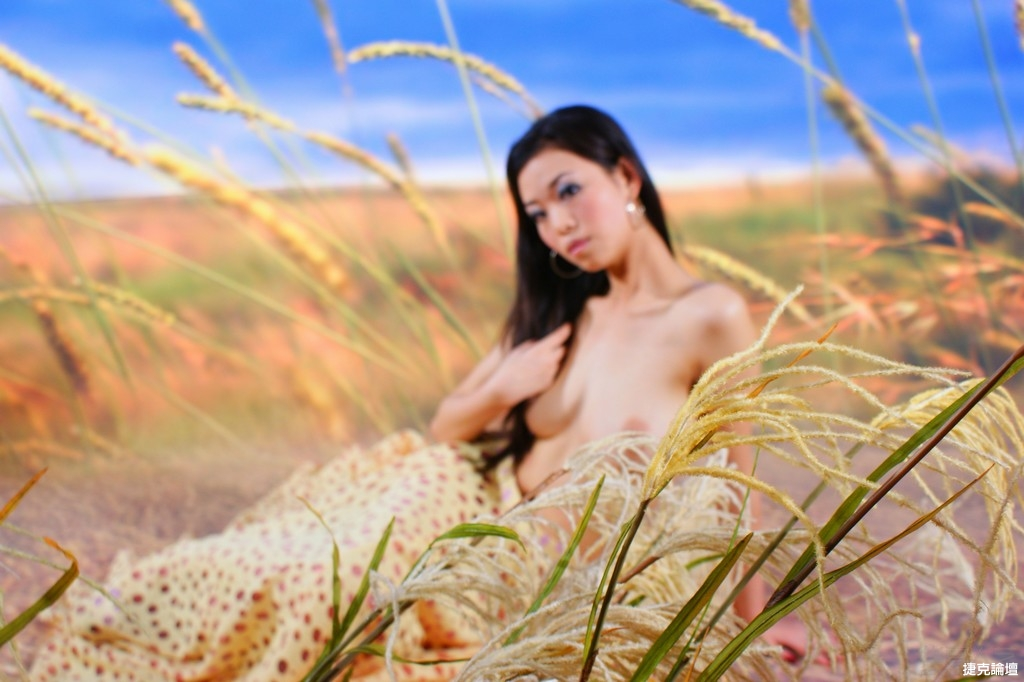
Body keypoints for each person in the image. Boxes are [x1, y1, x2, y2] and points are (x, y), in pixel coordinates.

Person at [30, 105, 806, 681]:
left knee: (341, 619)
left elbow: (739, 485)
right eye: (537, 213)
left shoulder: (709, 317)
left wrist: (755, 619)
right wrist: (501, 386)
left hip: (531, 577)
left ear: (627, 177)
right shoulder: (564, 313)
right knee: (299, 578)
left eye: (569, 191)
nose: (557, 226)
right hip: (455, 501)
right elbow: (447, 427)